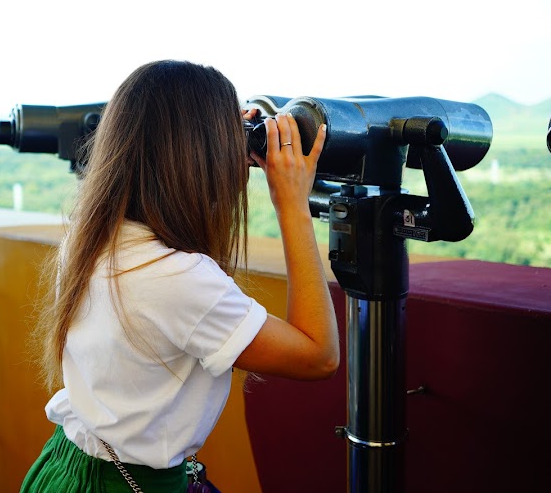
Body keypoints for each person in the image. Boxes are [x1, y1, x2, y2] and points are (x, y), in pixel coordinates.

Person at [20, 59, 340, 493]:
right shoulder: (176, 278)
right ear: (201, 152)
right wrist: (292, 205)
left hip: (65, 464)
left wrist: (219, 133)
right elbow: (319, 354)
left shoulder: (92, 236)